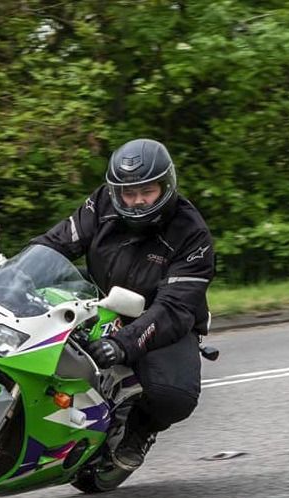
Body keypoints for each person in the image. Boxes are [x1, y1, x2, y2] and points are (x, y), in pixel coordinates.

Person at [32, 138, 215, 471]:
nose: (137, 202)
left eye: (148, 192)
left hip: (159, 315)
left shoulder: (192, 234)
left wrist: (122, 344)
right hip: (99, 295)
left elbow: (174, 308)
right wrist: (15, 276)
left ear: (167, 185)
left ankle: (141, 428)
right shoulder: (102, 202)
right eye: (128, 194)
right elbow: (56, 243)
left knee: (175, 396)